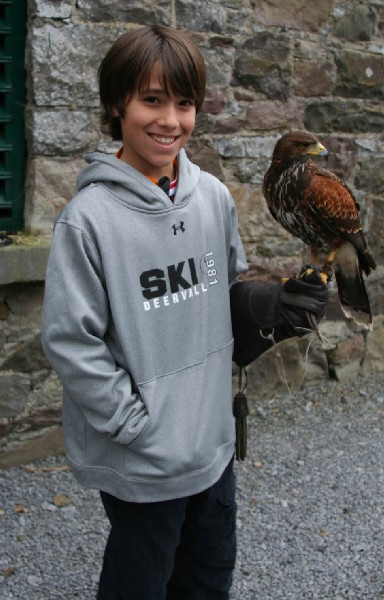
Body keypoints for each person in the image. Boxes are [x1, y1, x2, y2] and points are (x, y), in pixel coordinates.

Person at [41, 24, 329, 600]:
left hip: (212, 444)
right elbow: (71, 340)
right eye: (151, 100)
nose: (170, 120)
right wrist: (135, 425)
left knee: (207, 580)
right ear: (116, 104)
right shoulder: (88, 220)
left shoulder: (214, 198)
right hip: (144, 456)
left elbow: (221, 297)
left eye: (184, 103)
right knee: (141, 583)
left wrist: (271, 307)